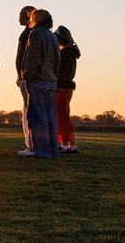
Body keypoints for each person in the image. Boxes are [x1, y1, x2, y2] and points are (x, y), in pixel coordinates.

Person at [19, 9, 60, 158]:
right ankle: (52, 150)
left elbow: (33, 58)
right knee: (50, 117)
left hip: (38, 79)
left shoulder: (36, 34)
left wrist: (26, 75)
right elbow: (57, 59)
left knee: (37, 117)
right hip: (51, 80)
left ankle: (41, 151)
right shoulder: (52, 36)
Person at [55, 25, 81, 153]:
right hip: (67, 88)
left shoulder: (64, 54)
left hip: (60, 87)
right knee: (65, 116)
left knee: (60, 116)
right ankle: (71, 144)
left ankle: (64, 143)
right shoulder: (71, 53)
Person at [15, 5, 36, 154]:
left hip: (28, 76)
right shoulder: (28, 33)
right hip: (26, 75)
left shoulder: (29, 34)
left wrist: (21, 74)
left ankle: (31, 144)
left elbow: (23, 56)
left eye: (22, 14)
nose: (19, 17)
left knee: (29, 111)